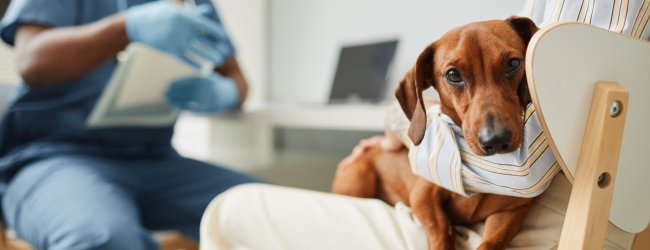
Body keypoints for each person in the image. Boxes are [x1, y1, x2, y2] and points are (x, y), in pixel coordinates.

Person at [199, 0, 650, 249]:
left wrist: (404, 131)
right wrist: (411, 127)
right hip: (448, 209)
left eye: (512, 67)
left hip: (558, 225)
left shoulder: (575, 28)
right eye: (455, 78)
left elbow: (522, 169)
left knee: (230, 207)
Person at [0, 0, 258, 249]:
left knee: (275, 215)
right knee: (101, 239)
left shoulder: (193, 3)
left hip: (155, 159)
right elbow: (32, 61)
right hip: (55, 157)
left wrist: (226, 92)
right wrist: (125, 28)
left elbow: (237, 78)